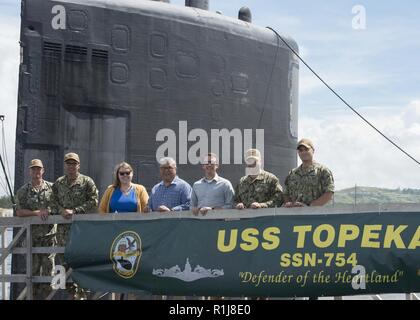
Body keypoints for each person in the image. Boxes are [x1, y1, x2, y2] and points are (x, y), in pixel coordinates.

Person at [51, 152, 98, 299]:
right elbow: (52, 201)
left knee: (82, 262)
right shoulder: (59, 183)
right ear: (65, 166)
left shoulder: (87, 182)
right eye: (68, 163)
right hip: (63, 232)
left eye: (73, 163)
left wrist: (76, 211)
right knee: (64, 263)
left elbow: (94, 201)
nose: (71, 166)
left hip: (82, 231)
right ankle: (75, 295)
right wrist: (61, 211)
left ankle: (84, 295)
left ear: (78, 165)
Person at [15, 159, 54, 300]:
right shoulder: (23, 191)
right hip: (32, 238)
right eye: (34, 169)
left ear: (43, 171)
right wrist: (36, 213)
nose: (36, 172)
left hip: (49, 238)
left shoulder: (52, 188)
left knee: (49, 277)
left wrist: (48, 210)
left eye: (39, 169)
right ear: (30, 171)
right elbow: (19, 212)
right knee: (32, 275)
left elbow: (57, 206)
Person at [283, 138, 334, 207]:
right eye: (300, 150)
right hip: (294, 214)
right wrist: (290, 204)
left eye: (306, 149)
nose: (303, 152)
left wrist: (310, 207)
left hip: (314, 214)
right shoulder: (292, 174)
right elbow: (286, 193)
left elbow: (329, 193)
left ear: (313, 151)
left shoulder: (322, 171)